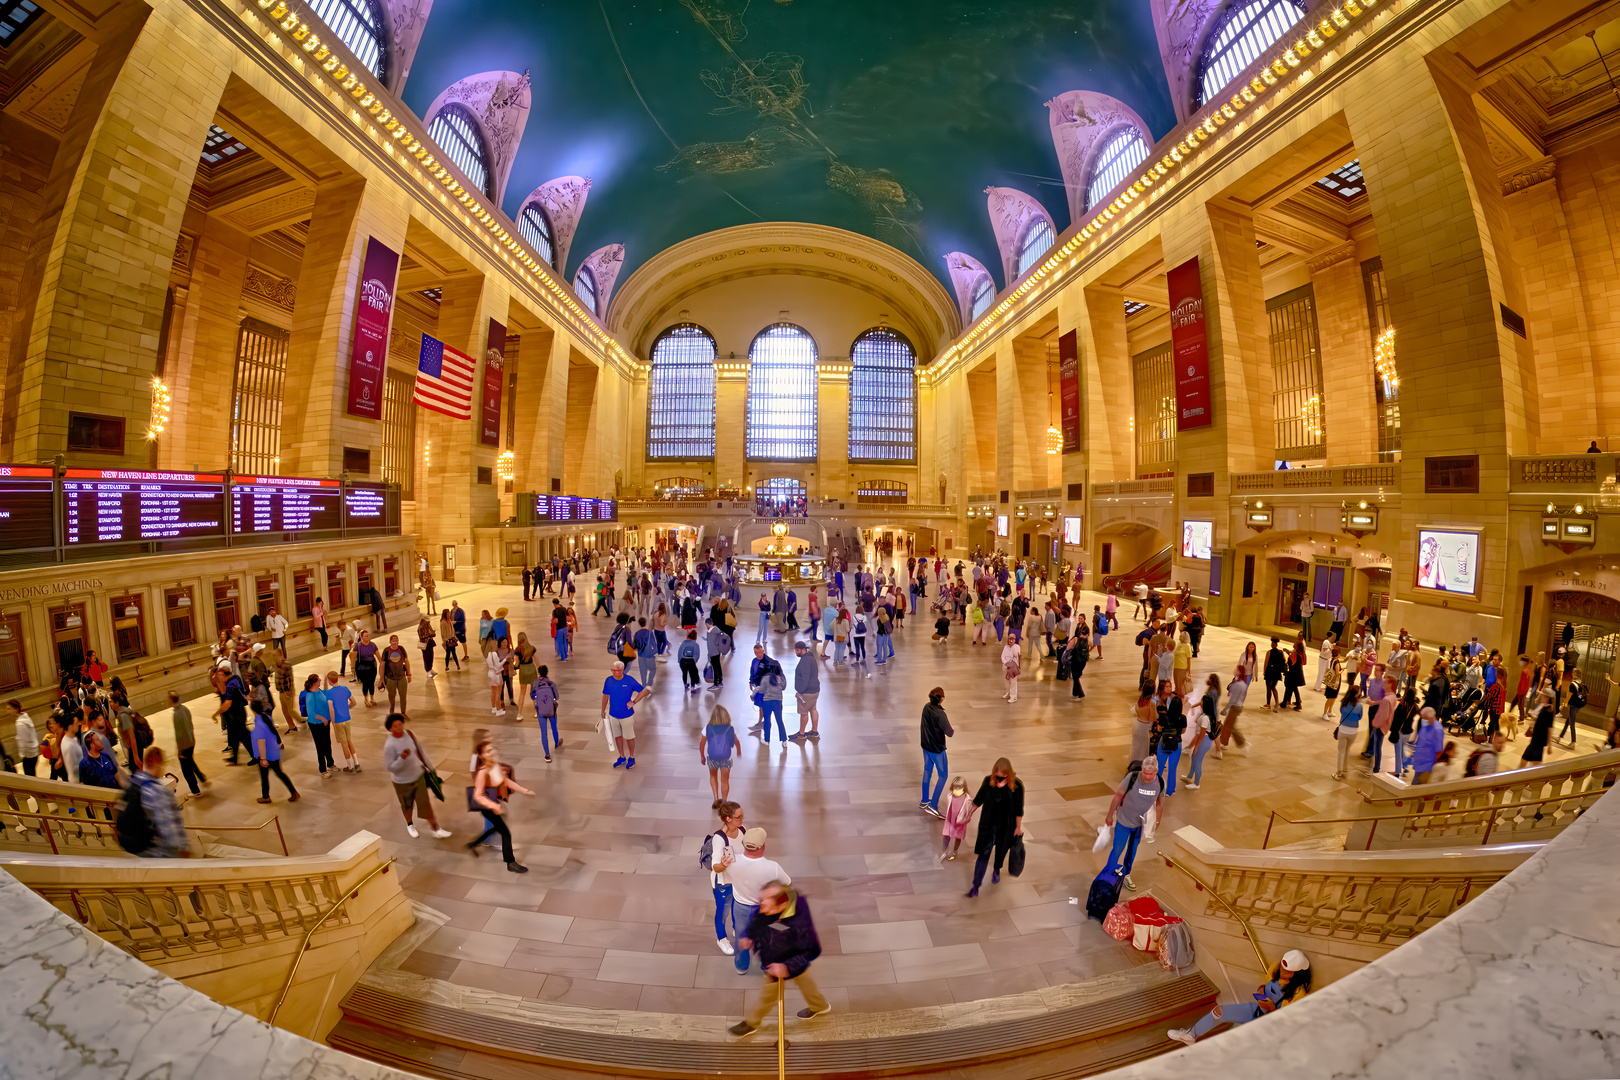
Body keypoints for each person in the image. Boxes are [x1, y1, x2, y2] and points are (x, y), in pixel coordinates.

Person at [728, 880, 828, 1037]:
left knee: (768, 995)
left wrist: (787, 966)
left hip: (785, 962)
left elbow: (812, 950)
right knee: (806, 982)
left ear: (781, 907)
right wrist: (748, 935)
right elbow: (758, 919)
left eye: (765, 906)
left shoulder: (800, 922)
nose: (761, 908)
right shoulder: (770, 903)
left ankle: (752, 1023)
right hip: (774, 957)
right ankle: (820, 1006)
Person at [1169, 951, 1312, 1045]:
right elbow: (1267, 982)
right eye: (1282, 966)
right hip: (1256, 1010)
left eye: (1287, 971)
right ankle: (1190, 1035)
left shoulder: (1298, 993)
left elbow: (1289, 1019)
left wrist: (1272, 1008)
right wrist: (1261, 989)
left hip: (1269, 1024)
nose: (1282, 971)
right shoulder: (1276, 971)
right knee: (1219, 1011)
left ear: (1297, 974)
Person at [727, 827, 790, 977]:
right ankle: (766, 965)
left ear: (743, 843)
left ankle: (741, 966)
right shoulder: (772, 868)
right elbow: (787, 883)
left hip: (740, 907)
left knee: (741, 937)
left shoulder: (731, 862)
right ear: (762, 846)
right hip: (763, 910)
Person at [468, 739, 533, 872]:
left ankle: (472, 844)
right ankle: (510, 862)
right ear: (482, 755)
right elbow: (477, 795)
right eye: (488, 751)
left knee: (498, 828)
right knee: (506, 833)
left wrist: (524, 790)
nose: (493, 752)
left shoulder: (494, 766)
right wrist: (494, 806)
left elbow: (506, 781)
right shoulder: (483, 772)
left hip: (495, 804)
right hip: (487, 808)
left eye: (493, 749)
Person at [383, 713, 451, 838]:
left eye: (401, 724)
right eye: (396, 726)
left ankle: (435, 828)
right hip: (402, 781)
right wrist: (402, 759)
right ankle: (410, 824)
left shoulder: (409, 734)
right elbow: (390, 767)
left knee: (425, 804)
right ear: (390, 729)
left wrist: (430, 767)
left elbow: (419, 751)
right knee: (407, 805)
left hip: (418, 775)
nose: (400, 727)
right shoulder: (390, 745)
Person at [1101, 756, 1162, 892]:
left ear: (1156, 771)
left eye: (1150, 773)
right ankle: (1108, 877)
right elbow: (1118, 795)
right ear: (1142, 769)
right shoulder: (1132, 778)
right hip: (1124, 821)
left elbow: (1159, 803)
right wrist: (1110, 815)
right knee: (1117, 849)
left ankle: (1126, 874)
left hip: (1140, 825)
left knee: (1132, 851)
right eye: (1144, 772)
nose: (1146, 776)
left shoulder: (1160, 783)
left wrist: (1157, 821)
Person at [966, 757, 1024, 897]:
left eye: (1003, 775)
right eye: (997, 774)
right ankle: (976, 885)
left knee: (1001, 851)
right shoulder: (988, 782)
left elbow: (1018, 810)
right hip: (988, 826)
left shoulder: (1017, 786)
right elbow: (977, 801)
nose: (1000, 778)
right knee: (983, 856)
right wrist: (968, 814)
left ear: (1007, 773)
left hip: (1006, 828)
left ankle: (997, 869)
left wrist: (1018, 827)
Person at [123, 747, 191, 858]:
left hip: (134, 848)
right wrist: (183, 849)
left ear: (145, 762)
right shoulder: (158, 792)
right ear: (158, 764)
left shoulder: (133, 782)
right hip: (155, 852)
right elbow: (169, 830)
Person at [700, 801, 745, 956]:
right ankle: (721, 939)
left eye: (742, 815)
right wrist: (724, 864)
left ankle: (736, 929)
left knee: (737, 906)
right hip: (723, 883)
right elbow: (715, 867)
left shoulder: (742, 830)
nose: (742, 819)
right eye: (738, 817)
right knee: (723, 911)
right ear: (728, 819)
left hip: (738, 879)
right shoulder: (720, 838)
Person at [601, 660, 650, 769]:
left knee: (629, 737)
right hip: (613, 714)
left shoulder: (629, 680)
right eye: (613, 670)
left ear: (622, 670)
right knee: (617, 736)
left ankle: (631, 757)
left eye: (617, 671)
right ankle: (621, 756)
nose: (614, 673)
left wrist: (634, 701)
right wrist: (603, 710)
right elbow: (605, 695)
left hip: (626, 715)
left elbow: (644, 691)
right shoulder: (608, 681)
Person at [250, 701, 299, 805]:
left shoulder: (259, 723)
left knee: (273, 774)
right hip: (273, 750)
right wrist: (279, 741)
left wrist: (263, 758)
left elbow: (261, 741)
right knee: (274, 773)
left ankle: (268, 796)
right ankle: (267, 796)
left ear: (252, 710)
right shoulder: (266, 717)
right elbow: (273, 730)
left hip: (266, 754)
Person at [919, 687, 954, 818]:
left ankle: (924, 800)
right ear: (941, 699)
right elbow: (949, 732)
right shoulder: (941, 714)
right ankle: (933, 805)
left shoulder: (926, 707)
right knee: (943, 776)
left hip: (925, 746)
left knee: (927, 771)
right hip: (937, 749)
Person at [1182, 676, 1218, 789]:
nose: (1200, 703)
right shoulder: (1208, 716)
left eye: (1202, 701)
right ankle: (1189, 776)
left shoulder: (1204, 718)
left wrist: (1196, 746)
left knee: (1197, 761)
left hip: (1204, 741)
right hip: (1204, 740)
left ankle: (1196, 783)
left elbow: (1202, 734)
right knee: (1194, 758)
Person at [300, 673, 336, 779]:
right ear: (314, 682)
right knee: (320, 746)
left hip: (325, 723)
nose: (320, 681)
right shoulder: (310, 696)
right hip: (316, 724)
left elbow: (326, 692)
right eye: (319, 680)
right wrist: (323, 718)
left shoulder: (319, 691)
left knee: (327, 743)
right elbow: (311, 713)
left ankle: (330, 763)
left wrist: (325, 680)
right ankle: (323, 769)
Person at [700, 705, 738, 806]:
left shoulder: (707, 727)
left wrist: (702, 756)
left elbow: (702, 743)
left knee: (713, 776)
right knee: (725, 781)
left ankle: (716, 799)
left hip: (712, 757)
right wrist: (738, 750)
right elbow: (733, 742)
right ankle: (724, 802)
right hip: (726, 757)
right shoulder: (730, 728)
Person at [325, 671, 358, 772]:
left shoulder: (329, 693)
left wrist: (333, 722)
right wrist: (347, 708)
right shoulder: (345, 689)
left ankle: (350, 766)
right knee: (349, 741)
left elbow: (331, 709)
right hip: (347, 718)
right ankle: (357, 763)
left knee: (344, 744)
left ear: (329, 681)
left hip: (338, 721)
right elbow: (354, 702)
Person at [938, 777, 975, 862]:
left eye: (959, 788)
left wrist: (965, 820)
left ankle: (955, 851)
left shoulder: (967, 799)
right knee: (946, 835)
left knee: (957, 837)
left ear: (964, 788)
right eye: (955, 787)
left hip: (959, 822)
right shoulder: (950, 796)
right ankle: (945, 850)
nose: (957, 790)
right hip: (950, 820)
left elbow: (969, 813)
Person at [790, 640, 820, 740]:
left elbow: (805, 678)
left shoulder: (805, 661)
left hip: (807, 692)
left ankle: (802, 734)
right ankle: (814, 731)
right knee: (813, 709)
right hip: (815, 690)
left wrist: (800, 691)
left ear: (803, 650)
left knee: (804, 713)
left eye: (798, 650)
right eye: (795, 650)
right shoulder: (811, 658)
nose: (796, 652)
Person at [1332, 686, 1364, 781]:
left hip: (1343, 730)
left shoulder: (1344, 703)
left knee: (1341, 751)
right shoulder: (1359, 706)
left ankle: (1339, 772)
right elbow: (1360, 717)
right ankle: (1345, 769)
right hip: (1353, 732)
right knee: (1347, 750)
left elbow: (1341, 712)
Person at [531, 665, 561, 762]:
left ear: (538, 673)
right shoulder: (551, 683)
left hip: (540, 711)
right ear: (547, 672)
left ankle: (547, 755)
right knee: (554, 727)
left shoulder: (535, 683)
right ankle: (556, 743)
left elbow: (532, 696)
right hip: (551, 709)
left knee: (544, 732)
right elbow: (557, 697)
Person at [1411, 706, 1446, 782]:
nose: (1423, 720)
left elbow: (1439, 751)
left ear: (1431, 718)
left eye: (1424, 718)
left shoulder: (1437, 730)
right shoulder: (1426, 724)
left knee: (1417, 788)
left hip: (1427, 766)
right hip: (1419, 762)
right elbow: (1421, 739)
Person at [9, 699, 39, 777]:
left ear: (15, 709)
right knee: (32, 774)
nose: (8, 711)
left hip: (28, 755)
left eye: (9, 709)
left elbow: (23, 742)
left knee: (29, 777)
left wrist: (22, 755)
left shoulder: (20, 723)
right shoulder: (26, 717)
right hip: (34, 752)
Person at [706, 620, 730, 689]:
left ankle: (716, 684)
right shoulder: (717, 631)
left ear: (707, 624)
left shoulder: (711, 632)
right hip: (717, 652)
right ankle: (720, 682)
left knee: (715, 668)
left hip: (713, 652)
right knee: (718, 667)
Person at [1001, 636, 1022, 703]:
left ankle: (1013, 697)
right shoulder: (1005, 647)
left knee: (1013, 682)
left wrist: (1013, 647)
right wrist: (1006, 663)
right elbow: (1002, 656)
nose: (1011, 640)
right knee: (1006, 681)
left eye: (1012, 639)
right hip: (1006, 666)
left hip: (1013, 667)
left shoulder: (1017, 647)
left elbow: (1016, 655)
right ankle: (1008, 692)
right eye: (1010, 638)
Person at [417, 616, 437, 680]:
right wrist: (429, 634)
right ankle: (428, 670)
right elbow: (422, 636)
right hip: (424, 644)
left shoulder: (428, 626)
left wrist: (432, 633)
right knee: (426, 657)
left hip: (430, 643)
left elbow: (432, 633)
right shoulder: (420, 628)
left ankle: (430, 669)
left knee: (431, 656)